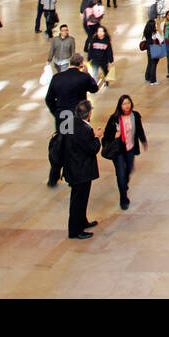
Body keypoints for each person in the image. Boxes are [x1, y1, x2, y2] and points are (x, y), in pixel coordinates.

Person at [45, 54, 99, 187]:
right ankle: (73, 175)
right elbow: (94, 88)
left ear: (70, 63)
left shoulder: (57, 77)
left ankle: (53, 177)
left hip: (63, 116)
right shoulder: (83, 77)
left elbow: (49, 99)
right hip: (78, 117)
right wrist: (88, 73)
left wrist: (57, 113)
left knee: (61, 144)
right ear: (81, 64)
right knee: (78, 146)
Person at [62, 100, 101, 238]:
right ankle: (75, 230)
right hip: (81, 170)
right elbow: (92, 148)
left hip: (73, 168)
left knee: (80, 199)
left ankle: (82, 221)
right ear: (89, 114)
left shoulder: (71, 123)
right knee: (78, 200)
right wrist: (97, 137)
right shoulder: (84, 129)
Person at [102, 95, 148, 210]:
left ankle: (124, 184)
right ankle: (123, 198)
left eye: (128, 103)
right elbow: (106, 134)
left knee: (129, 169)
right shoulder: (114, 118)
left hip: (130, 148)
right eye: (124, 104)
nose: (127, 106)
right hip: (118, 151)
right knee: (121, 174)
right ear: (120, 106)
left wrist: (143, 141)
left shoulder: (135, 116)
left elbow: (139, 130)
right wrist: (114, 135)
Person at [85, 24, 114, 89]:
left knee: (105, 71)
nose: (100, 33)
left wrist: (111, 60)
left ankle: (106, 81)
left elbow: (109, 51)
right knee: (94, 73)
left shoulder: (107, 42)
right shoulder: (94, 40)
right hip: (94, 60)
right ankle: (95, 85)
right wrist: (89, 58)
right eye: (98, 31)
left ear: (104, 33)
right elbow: (90, 50)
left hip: (103, 61)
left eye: (101, 31)